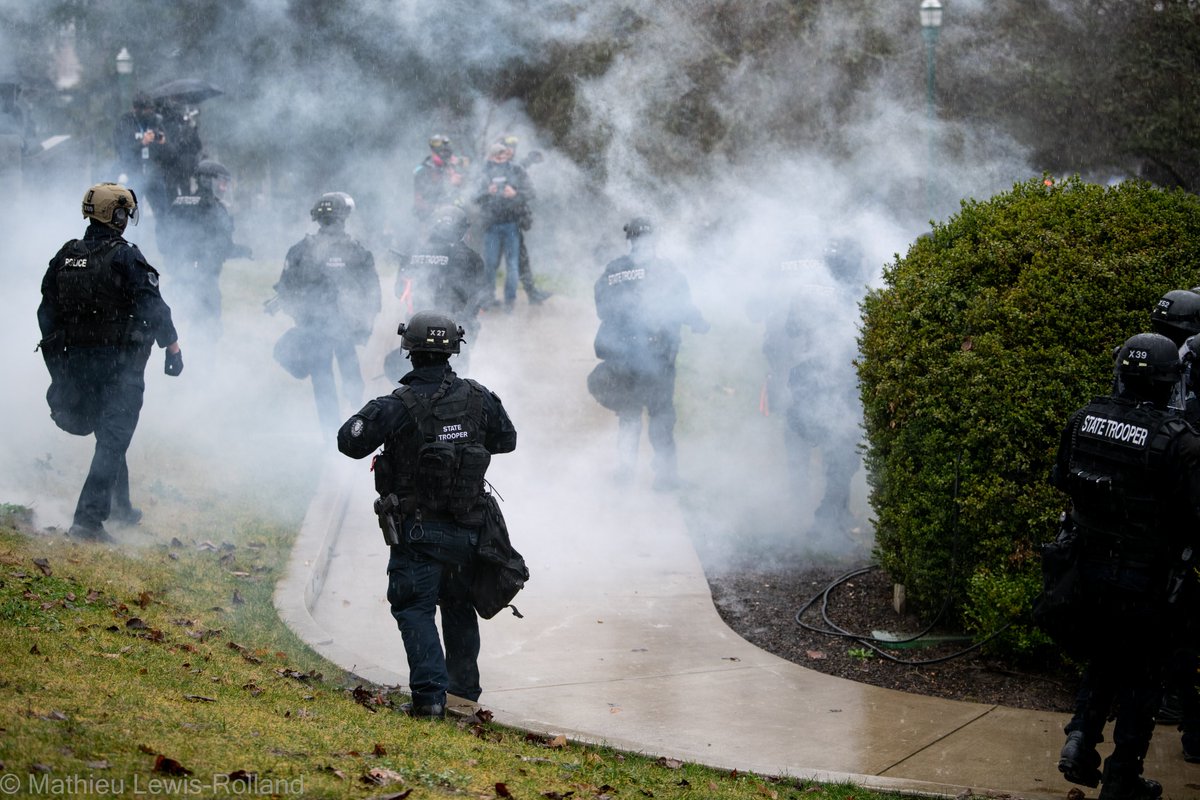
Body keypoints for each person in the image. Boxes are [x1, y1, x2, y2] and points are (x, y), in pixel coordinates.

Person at [337, 310, 517, 718]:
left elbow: (350, 442)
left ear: (409, 352)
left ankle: (430, 701)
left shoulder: (397, 404)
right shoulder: (478, 396)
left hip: (418, 534)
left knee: (414, 607)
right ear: (454, 350)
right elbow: (506, 439)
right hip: (469, 530)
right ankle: (463, 699)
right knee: (458, 606)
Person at [1050, 332, 1200, 799]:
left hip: (1086, 570)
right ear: (1166, 382)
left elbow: (1064, 483)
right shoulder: (1180, 441)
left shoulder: (1083, 419)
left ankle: (1079, 740)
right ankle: (1122, 775)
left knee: (1104, 655)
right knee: (1143, 677)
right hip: (1144, 579)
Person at [36, 183, 183, 542]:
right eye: (124, 213)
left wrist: (64, 364)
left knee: (110, 434)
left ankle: (121, 507)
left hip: (79, 365)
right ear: (115, 215)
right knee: (114, 438)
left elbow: (47, 312)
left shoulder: (66, 255)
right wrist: (173, 347)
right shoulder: (125, 257)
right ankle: (87, 521)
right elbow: (154, 306)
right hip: (120, 367)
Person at [589, 217, 708, 490]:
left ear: (629, 239)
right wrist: (700, 323)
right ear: (654, 240)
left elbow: (602, 309)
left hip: (623, 355)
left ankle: (625, 472)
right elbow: (683, 306)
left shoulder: (613, 270)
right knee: (661, 414)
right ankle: (666, 478)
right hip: (658, 356)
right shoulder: (666, 270)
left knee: (629, 413)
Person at [273, 192, 381, 434]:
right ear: (344, 218)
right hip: (344, 329)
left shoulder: (298, 250)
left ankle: (332, 435)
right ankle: (359, 429)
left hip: (315, 329)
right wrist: (364, 325)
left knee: (323, 381)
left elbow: (285, 290)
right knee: (351, 377)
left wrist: (302, 320)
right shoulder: (357, 251)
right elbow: (372, 294)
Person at [389, 206, 489, 379]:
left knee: (418, 381)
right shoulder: (471, 258)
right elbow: (479, 297)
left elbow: (399, 291)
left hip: (417, 331)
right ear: (462, 229)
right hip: (454, 331)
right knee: (457, 381)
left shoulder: (413, 253)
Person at [159, 159, 251, 340]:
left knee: (175, 325)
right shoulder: (215, 208)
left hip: (180, 277)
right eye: (221, 182)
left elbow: (164, 239)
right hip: (204, 281)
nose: (224, 187)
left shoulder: (179, 202)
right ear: (207, 180)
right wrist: (245, 251)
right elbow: (222, 247)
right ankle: (201, 364)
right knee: (208, 329)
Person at [475, 142, 533, 312]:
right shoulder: (483, 172)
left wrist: (515, 194)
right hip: (491, 225)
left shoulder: (516, 170)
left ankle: (510, 302)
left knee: (512, 265)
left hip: (511, 225)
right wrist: (487, 192)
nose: (500, 159)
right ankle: (488, 299)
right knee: (490, 264)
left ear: (508, 156)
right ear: (490, 157)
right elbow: (474, 196)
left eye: (503, 156)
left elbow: (531, 192)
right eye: (496, 156)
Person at [496, 135, 551, 305]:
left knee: (521, 259)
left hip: (512, 222)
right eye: (508, 147)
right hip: (497, 221)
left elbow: (517, 170)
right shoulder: (495, 165)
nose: (511, 150)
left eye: (514, 147)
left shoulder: (514, 166)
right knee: (493, 261)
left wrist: (529, 160)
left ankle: (532, 293)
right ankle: (479, 298)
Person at [111, 92, 169, 217]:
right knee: (134, 215)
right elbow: (122, 149)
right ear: (137, 109)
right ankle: (135, 237)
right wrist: (142, 142)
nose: (149, 113)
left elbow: (168, 151)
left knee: (162, 213)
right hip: (133, 173)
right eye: (146, 110)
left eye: (150, 109)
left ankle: (164, 237)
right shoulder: (126, 123)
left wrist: (163, 143)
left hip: (153, 174)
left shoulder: (155, 122)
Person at [412, 134, 466, 225]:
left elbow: (467, 195)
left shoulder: (453, 168)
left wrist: (459, 184)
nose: (446, 157)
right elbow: (419, 203)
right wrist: (439, 208)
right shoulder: (422, 171)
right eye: (441, 153)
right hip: (430, 221)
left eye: (447, 154)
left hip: (455, 221)